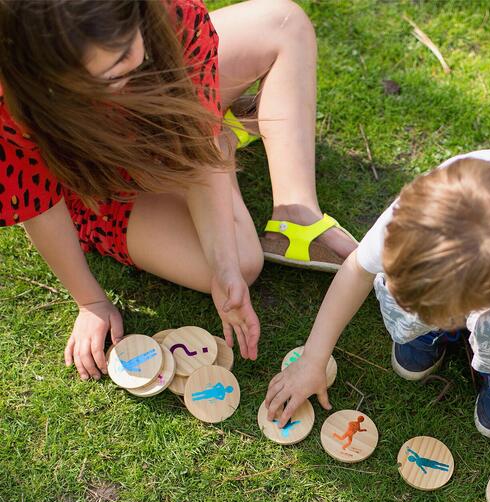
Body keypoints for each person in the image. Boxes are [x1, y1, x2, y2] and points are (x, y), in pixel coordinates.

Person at [0, 0, 355, 381]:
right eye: (100, 78)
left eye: (126, 52)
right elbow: (39, 204)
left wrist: (223, 269)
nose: (123, 77)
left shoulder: (170, 15)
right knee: (244, 262)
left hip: (172, 117)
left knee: (285, 24)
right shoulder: (12, 99)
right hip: (97, 182)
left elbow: (194, 140)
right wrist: (90, 301)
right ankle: (222, 140)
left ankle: (295, 211)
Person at [264, 150, 490, 444]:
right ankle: (435, 334)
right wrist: (314, 358)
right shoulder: (416, 217)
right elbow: (357, 269)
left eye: (450, 314)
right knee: (392, 288)